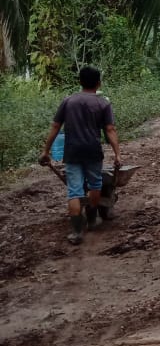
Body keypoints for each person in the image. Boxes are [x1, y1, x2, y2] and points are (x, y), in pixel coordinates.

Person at [39, 66, 122, 245]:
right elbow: (110, 129)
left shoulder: (68, 101)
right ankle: (92, 219)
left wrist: (46, 151)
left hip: (72, 151)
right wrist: (117, 154)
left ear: (80, 82)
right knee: (95, 185)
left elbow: (55, 126)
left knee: (74, 191)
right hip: (93, 151)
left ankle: (77, 232)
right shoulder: (103, 103)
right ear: (98, 83)